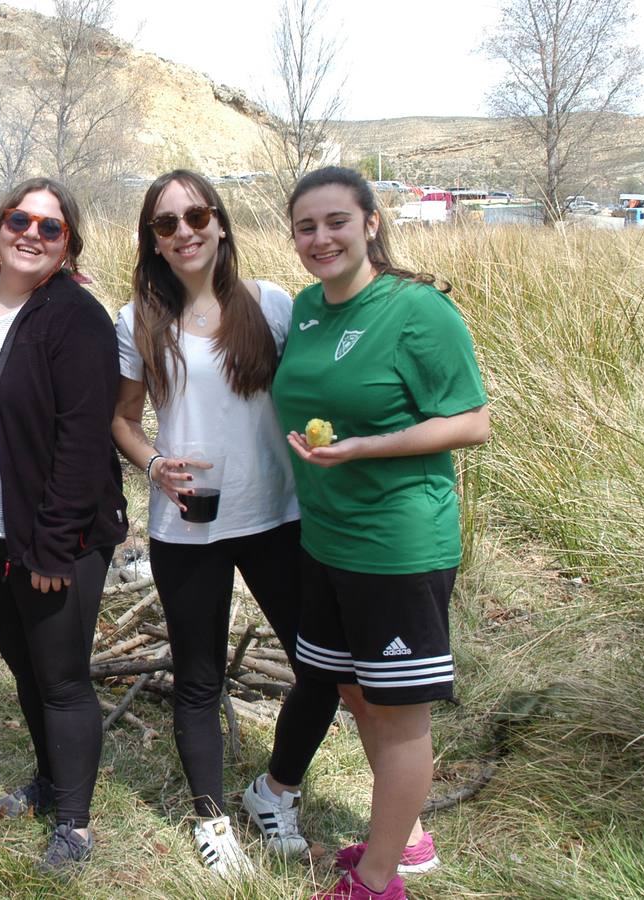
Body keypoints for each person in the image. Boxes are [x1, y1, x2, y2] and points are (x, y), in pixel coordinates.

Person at [110, 170, 341, 879]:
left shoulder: (270, 305)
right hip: (187, 526)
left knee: (320, 668)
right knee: (198, 678)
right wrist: (153, 466)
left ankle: (274, 791)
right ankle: (211, 819)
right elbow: (119, 419)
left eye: (196, 215)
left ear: (220, 223)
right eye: (166, 223)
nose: (184, 232)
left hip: (275, 515)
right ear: (152, 240)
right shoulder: (137, 319)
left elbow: (318, 383)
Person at [272, 166, 489, 900]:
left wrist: (364, 446)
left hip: (395, 545)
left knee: (399, 714)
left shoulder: (416, 310)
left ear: (369, 222)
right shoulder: (306, 309)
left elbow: (471, 421)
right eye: (306, 226)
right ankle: (410, 837)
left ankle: (375, 880)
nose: (320, 238)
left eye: (335, 221)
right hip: (325, 540)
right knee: (358, 694)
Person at [0, 177, 127, 874]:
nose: (32, 235)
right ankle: (49, 784)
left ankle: (74, 825)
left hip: (55, 536)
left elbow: (81, 443)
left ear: (67, 245)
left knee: (63, 677)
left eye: (51, 228)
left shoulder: (74, 319)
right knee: (24, 666)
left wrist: (54, 545)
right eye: (21, 220)